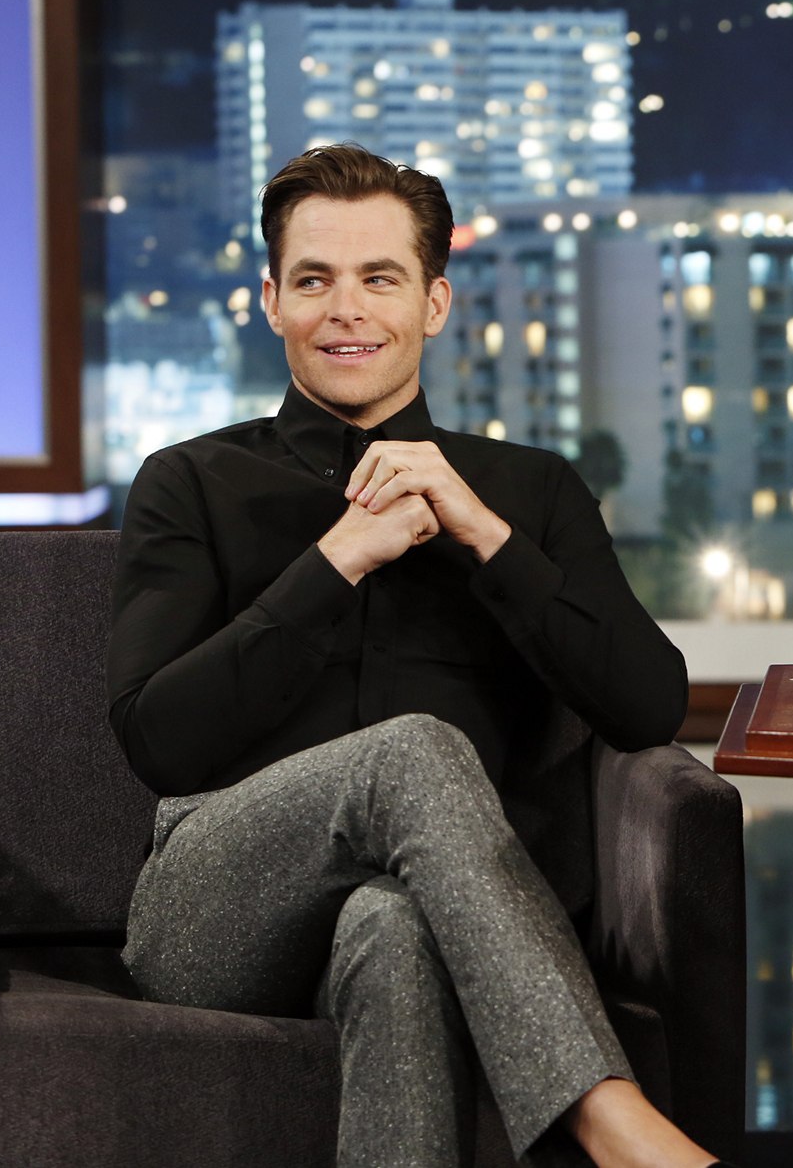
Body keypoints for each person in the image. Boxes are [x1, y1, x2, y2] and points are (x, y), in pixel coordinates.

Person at [108, 144, 727, 1168]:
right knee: (412, 749)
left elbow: (647, 707)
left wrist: (486, 536)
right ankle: (609, 1118)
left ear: (433, 303)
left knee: (392, 926)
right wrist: (337, 560)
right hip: (215, 910)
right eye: (314, 280)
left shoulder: (528, 493)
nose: (346, 309)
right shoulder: (188, 481)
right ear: (271, 301)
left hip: (444, 912)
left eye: (380, 278)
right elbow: (157, 742)